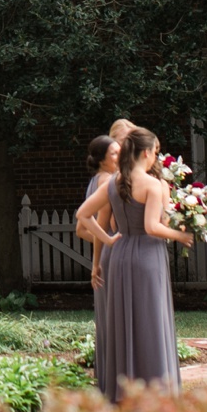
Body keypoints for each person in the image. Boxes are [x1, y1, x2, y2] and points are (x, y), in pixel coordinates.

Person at [76, 127, 191, 398]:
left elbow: (83, 214)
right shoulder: (151, 184)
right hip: (148, 257)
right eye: (155, 151)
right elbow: (153, 226)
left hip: (120, 254)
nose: (156, 157)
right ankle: (155, 389)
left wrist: (109, 239)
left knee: (124, 322)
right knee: (150, 320)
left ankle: (123, 390)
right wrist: (181, 234)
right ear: (146, 152)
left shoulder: (113, 182)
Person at [81, 134, 119, 392]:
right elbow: (84, 225)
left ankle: (108, 377)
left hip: (107, 254)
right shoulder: (108, 181)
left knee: (109, 320)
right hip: (116, 254)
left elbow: (85, 227)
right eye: (115, 154)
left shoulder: (99, 179)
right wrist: (108, 240)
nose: (120, 157)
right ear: (102, 160)